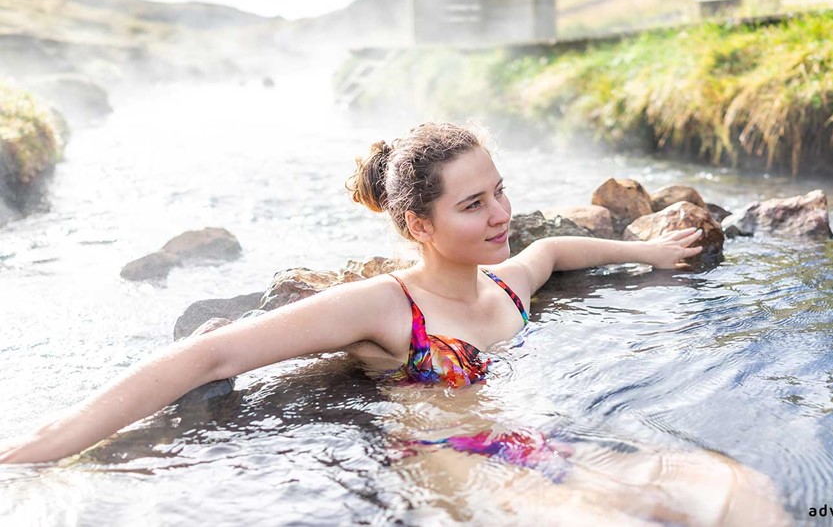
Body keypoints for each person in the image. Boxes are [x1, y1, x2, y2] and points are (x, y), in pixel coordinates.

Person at [0, 122, 786, 525]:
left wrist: (646, 254)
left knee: (739, 493)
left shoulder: (509, 286)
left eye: (500, 192)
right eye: (473, 204)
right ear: (417, 223)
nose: (500, 214)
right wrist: (37, 445)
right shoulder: (386, 305)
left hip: (539, 439)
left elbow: (551, 249)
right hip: (448, 458)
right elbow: (212, 353)